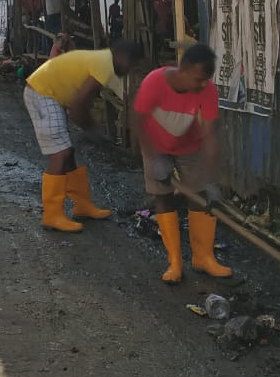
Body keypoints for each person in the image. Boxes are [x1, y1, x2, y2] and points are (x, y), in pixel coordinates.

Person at [130, 42, 230, 283]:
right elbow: (137, 121)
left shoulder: (207, 90)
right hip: (155, 143)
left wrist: (212, 176)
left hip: (189, 145)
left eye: (205, 79)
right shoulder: (155, 83)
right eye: (197, 79)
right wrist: (153, 158)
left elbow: (209, 135)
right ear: (182, 70)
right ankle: (175, 262)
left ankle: (203, 257)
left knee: (200, 196)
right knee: (162, 195)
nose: (201, 85)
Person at [24, 38, 142, 232]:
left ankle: (82, 205)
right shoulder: (105, 65)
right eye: (132, 64)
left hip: (47, 92)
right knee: (60, 153)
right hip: (42, 92)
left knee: (67, 152)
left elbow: (79, 105)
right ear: (123, 57)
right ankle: (52, 215)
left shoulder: (103, 59)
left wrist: (90, 129)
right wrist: (93, 131)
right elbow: (79, 106)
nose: (130, 69)